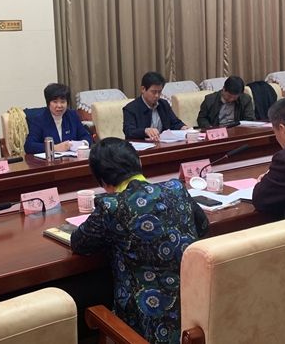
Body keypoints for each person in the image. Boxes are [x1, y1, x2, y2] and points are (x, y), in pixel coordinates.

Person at [71, 138, 208, 343]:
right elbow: (203, 227)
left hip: (143, 328)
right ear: (139, 163)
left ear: (102, 181)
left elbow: (79, 243)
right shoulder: (176, 188)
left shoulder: (112, 206)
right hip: (196, 315)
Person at [24, 83, 92, 154]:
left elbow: (85, 136)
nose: (59, 105)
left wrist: (83, 144)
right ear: (48, 103)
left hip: (71, 158)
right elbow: (29, 145)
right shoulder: (39, 120)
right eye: (55, 102)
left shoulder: (72, 116)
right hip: (50, 159)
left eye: (63, 102)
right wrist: (54, 147)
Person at [123, 72, 189, 140]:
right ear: (143, 89)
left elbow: (174, 123)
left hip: (163, 143)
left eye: (159, 92)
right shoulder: (131, 108)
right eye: (154, 92)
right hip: (142, 144)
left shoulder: (163, 104)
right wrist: (145, 131)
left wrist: (183, 127)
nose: (157, 95)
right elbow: (129, 131)